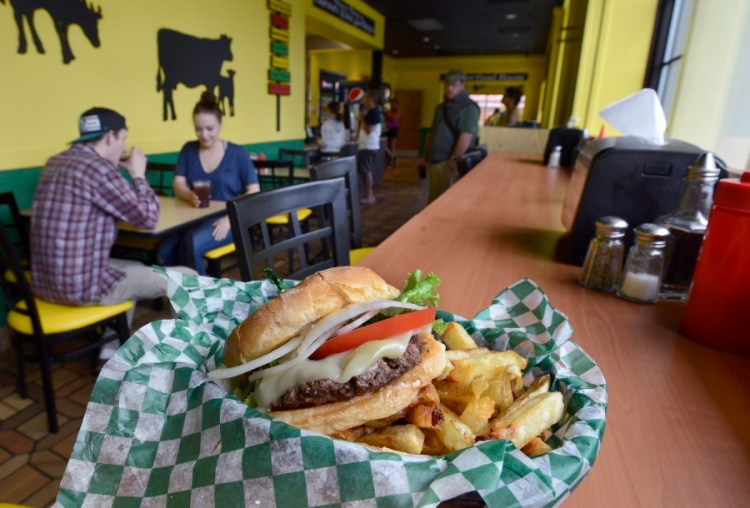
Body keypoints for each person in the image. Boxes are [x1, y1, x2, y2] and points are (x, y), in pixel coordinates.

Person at [31, 107, 196, 361]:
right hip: (79, 287)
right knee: (189, 278)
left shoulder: (55, 161)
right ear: (110, 137)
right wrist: (138, 174)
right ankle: (186, 355)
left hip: (43, 283)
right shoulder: (99, 169)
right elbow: (147, 217)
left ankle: (108, 354)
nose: (123, 146)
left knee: (131, 266)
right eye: (123, 139)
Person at [158, 91, 260, 274]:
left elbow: (253, 190)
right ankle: (179, 295)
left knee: (191, 245)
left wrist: (230, 218)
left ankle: (203, 298)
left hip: (226, 220)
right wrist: (189, 195)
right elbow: (178, 183)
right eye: (198, 129)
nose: (204, 134)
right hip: (192, 217)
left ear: (220, 125)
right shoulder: (188, 150)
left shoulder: (237, 153)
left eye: (210, 128)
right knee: (163, 252)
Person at [416, 70, 480, 202]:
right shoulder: (441, 108)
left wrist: (454, 160)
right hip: (436, 161)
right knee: (434, 199)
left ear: (462, 85)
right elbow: (432, 133)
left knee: (444, 203)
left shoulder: (469, 108)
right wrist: (425, 156)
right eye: (447, 84)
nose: (449, 88)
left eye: (454, 85)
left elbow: (466, 136)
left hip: (449, 163)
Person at [357, 90, 381, 204]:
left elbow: (369, 130)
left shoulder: (373, 112)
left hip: (368, 146)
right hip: (369, 145)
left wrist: (362, 118)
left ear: (371, 100)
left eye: (365, 99)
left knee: (366, 171)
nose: (363, 101)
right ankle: (368, 193)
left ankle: (369, 195)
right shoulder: (372, 112)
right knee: (365, 170)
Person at [385, 97, 400, 168]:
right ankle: (391, 160)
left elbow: (393, 118)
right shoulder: (389, 110)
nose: (391, 105)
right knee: (387, 146)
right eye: (391, 104)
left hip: (394, 129)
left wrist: (388, 114)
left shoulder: (398, 111)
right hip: (388, 129)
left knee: (392, 146)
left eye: (393, 104)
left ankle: (392, 160)